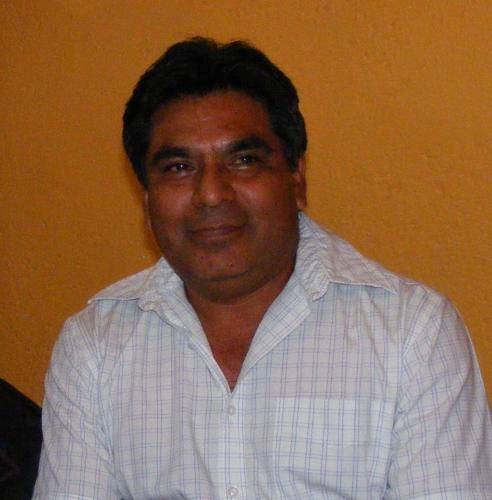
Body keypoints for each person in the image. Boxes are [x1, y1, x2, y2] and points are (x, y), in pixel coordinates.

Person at [33, 37, 491, 499]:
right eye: (178, 167)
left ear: (296, 178)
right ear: (148, 201)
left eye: (244, 161)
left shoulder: (412, 334)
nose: (211, 194)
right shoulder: (96, 346)